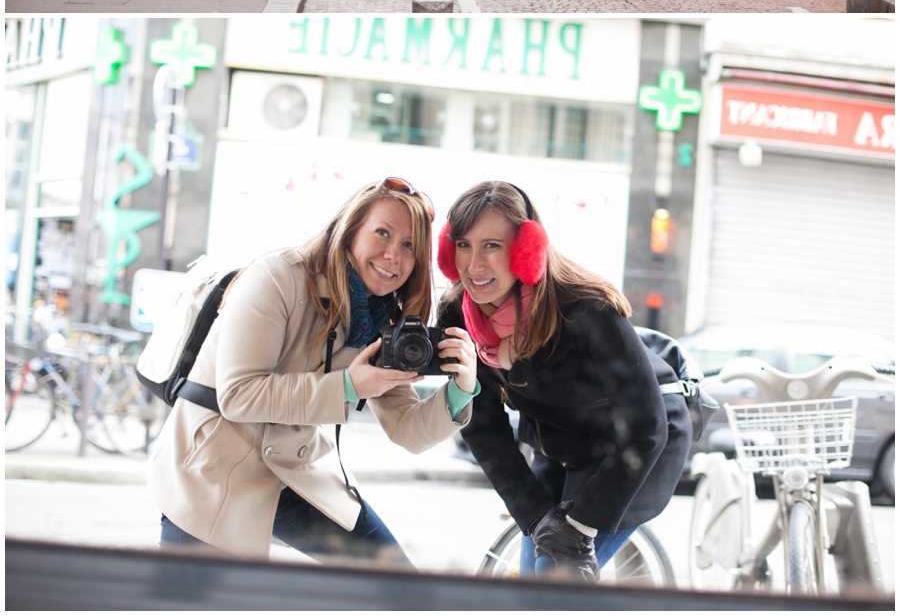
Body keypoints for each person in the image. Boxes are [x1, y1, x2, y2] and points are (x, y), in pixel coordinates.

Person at [147, 178, 478, 562]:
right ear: (350, 230)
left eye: (409, 246)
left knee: (397, 587)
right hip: (214, 469)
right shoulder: (278, 276)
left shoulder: (385, 321)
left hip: (295, 470)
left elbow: (408, 430)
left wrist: (461, 389)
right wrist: (348, 387)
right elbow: (239, 395)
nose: (394, 255)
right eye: (382, 234)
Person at [437, 181, 691, 580]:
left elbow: (646, 428)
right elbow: (482, 427)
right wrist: (537, 517)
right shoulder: (458, 314)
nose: (473, 266)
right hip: (561, 448)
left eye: (491, 246)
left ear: (526, 250)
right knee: (534, 583)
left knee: (550, 581)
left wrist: (582, 527)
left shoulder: (587, 308)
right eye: (464, 246)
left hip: (635, 448)